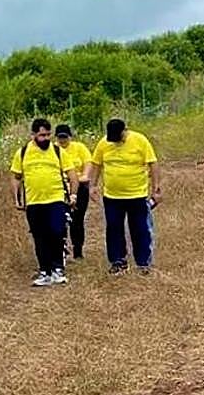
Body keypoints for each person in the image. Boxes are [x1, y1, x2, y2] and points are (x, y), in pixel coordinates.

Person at [89, 118, 161, 276]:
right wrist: (92, 186)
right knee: (114, 228)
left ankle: (143, 263)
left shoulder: (140, 140)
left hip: (137, 195)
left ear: (124, 131)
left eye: (118, 138)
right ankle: (118, 261)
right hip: (112, 197)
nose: (115, 141)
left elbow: (153, 164)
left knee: (140, 229)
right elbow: (96, 164)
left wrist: (156, 188)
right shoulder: (103, 144)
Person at [12, 119, 79, 286]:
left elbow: (72, 175)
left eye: (48, 134)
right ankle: (45, 271)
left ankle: (58, 269)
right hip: (34, 202)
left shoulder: (57, 151)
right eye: (42, 135)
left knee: (57, 232)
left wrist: (73, 195)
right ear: (33, 135)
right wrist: (16, 198)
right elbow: (16, 177)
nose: (46, 138)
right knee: (39, 236)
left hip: (55, 199)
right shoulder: (23, 152)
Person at [55, 124, 93, 260]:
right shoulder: (54, 150)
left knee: (77, 219)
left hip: (80, 186)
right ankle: (62, 250)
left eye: (65, 137)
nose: (63, 140)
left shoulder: (79, 148)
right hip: (60, 187)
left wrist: (85, 176)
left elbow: (88, 163)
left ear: (70, 136)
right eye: (60, 137)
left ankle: (78, 249)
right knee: (60, 220)